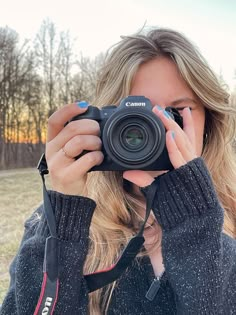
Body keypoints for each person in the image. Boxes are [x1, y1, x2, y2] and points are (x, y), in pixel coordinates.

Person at [1, 27, 236, 315]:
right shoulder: (58, 223)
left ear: (210, 121)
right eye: (137, 118)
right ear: (104, 123)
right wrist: (63, 222)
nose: (155, 131)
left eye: (175, 113)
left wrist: (196, 225)